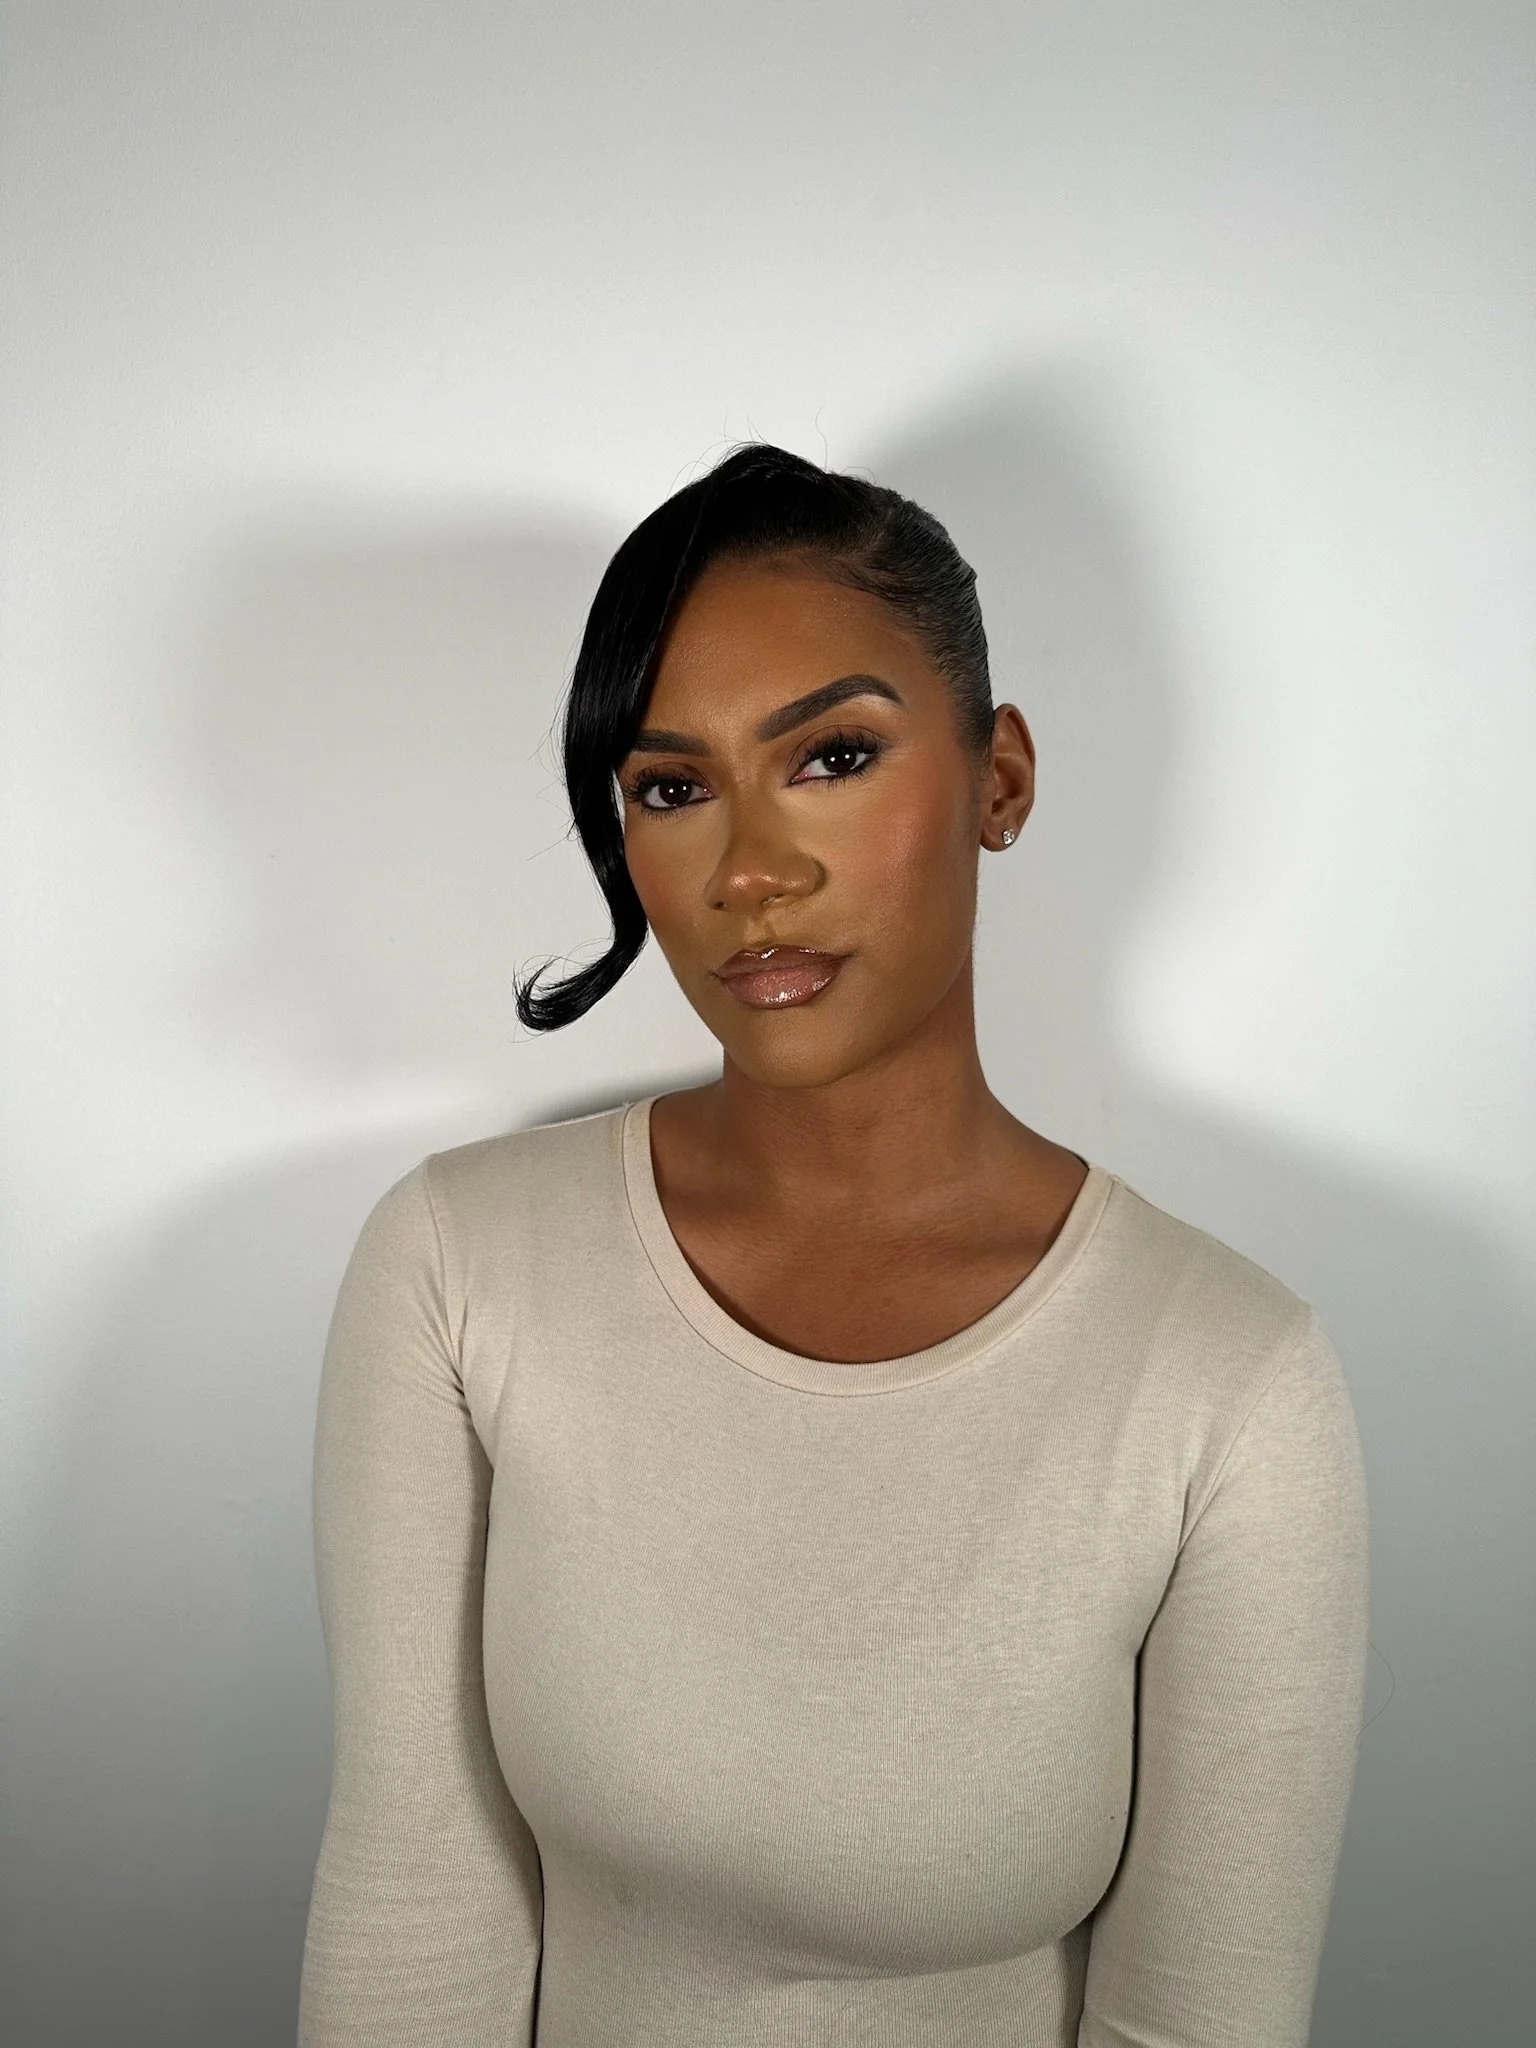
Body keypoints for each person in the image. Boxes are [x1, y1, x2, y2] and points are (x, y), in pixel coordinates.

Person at [296, 443, 1370, 2047]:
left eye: (834, 758)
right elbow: (413, 1905)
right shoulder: (459, 1269)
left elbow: (1204, 2023)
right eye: (671, 789)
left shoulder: (1229, 1381)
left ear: (999, 777)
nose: (749, 872)